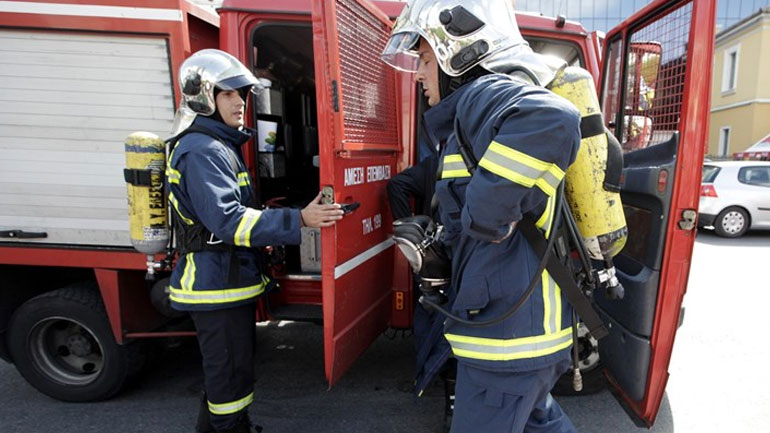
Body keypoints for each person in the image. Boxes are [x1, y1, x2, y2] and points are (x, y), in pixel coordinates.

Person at [382, 1, 581, 432]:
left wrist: (483, 219)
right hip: (524, 337)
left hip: (506, 347)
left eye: (424, 58)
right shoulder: (469, 118)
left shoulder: (482, 95)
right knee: (538, 422)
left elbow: (553, 117)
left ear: (460, 52)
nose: (418, 74)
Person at [165, 49, 344, 433]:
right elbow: (228, 221)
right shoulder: (202, 150)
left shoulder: (217, 146)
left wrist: (297, 213)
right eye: (228, 94)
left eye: (242, 95)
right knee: (228, 382)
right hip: (216, 285)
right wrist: (299, 220)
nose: (240, 103)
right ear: (203, 97)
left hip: (225, 282)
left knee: (226, 378)